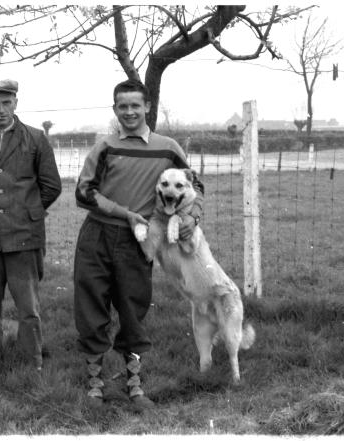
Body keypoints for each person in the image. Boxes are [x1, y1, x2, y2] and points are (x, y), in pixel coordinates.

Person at [73, 79, 204, 407]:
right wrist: (125, 213)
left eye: (135, 105)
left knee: (133, 309)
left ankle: (134, 385)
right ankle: (95, 385)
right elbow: (83, 192)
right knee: (91, 306)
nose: (129, 112)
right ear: (115, 109)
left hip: (139, 241)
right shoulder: (104, 146)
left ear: (147, 107)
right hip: (97, 236)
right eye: (122, 106)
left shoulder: (168, 147)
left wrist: (191, 218)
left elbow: (195, 186)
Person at [0, 79, 62, 373]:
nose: (1, 110)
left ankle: (32, 364)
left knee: (28, 308)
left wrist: (28, 212)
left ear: (16, 103)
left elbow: (51, 186)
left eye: (7, 103)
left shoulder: (36, 138)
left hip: (24, 237)